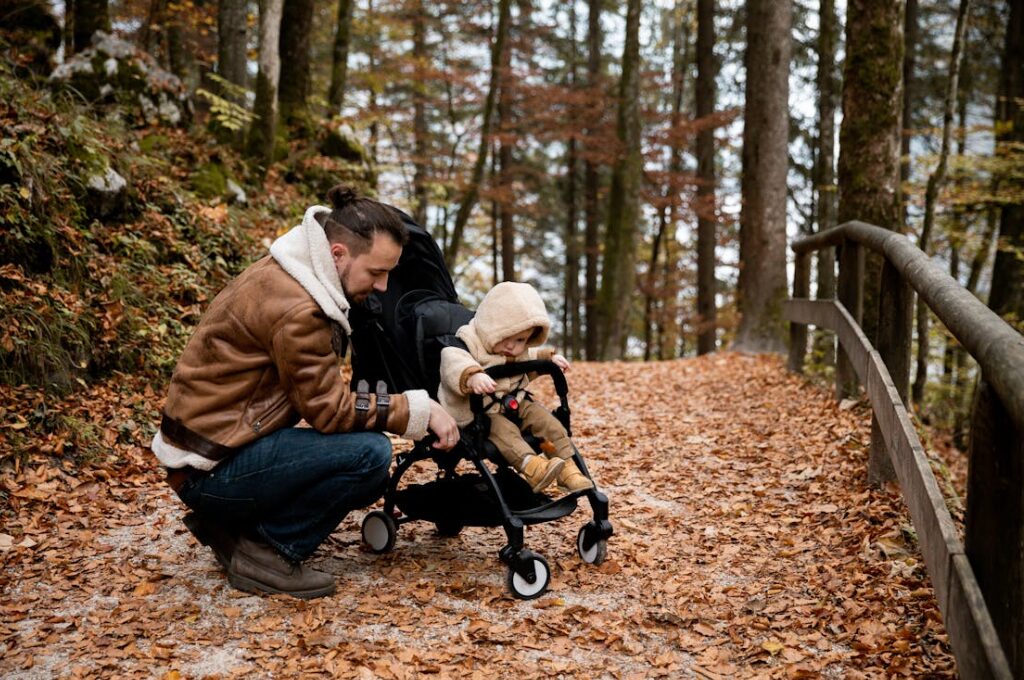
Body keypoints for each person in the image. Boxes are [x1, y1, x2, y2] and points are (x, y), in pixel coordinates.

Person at [150, 185, 459, 600]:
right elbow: (330, 412)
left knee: (362, 454)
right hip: (209, 471)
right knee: (370, 456)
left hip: (208, 453)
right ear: (338, 254)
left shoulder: (288, 271)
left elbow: (318, 397)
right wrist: (419, 411)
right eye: (376, 272)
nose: (384, 287)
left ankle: (232, 528)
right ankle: (267, 550)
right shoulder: (300, 309)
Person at [438, 281, 593, 494]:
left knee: (548, 421)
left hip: (514, 402)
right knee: (505, 431)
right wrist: (472, 375)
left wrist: (549, 358)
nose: (513, 346)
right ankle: (532, 468)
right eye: (506, 338)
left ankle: (567, 468)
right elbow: (452, 361)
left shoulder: (516, 350)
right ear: (491, 326)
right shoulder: (469, 341)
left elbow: (530, 356)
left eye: (521, 340)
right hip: (481, 414)